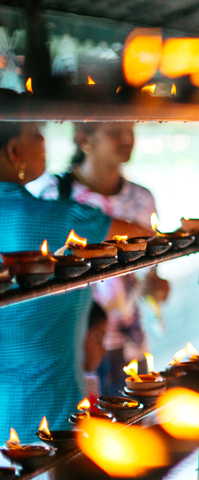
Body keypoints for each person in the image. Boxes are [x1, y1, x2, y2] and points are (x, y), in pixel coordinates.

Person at [0, 122, 149, 434]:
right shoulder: (62, 216)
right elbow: (142, 238)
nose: (44, 142)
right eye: (37, 133)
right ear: (15, 152)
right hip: (45, 405)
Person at [29, 122, 169, 397]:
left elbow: (151, 273)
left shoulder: (142, 199)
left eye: (130, 129)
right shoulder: (54, 197)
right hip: (75, 343)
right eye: (115, 130)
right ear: (83, 138)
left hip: (129, 343)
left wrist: (158, 287)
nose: (127, 137)